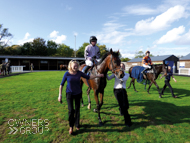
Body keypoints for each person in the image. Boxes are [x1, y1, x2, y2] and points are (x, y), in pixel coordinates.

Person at [58, 60, 104, 135]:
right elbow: (61, 85)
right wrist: (60, 95)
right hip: (69, 94)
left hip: (78, 94)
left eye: (77, 65)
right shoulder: (67, 74)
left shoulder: (79, 73)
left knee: (77, 110)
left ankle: (77, 124)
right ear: (70, 66)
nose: (76, 67)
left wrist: (98, 75)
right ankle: (71, 126)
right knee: (70, 111)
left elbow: (89, 77)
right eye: (74, 65)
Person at [106, 63, 132, 127]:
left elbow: (123, 79)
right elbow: (109, 78)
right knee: (122, 105)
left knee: (125, 105)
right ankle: (126, 119)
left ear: (124, 68)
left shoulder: (127, 74)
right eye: (120, 66)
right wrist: (106, 72)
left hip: (123, 90)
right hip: (116, 90)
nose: (121, 67)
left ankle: (124, 116)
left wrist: (116, 75)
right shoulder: (115, 73)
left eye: (122, 67)